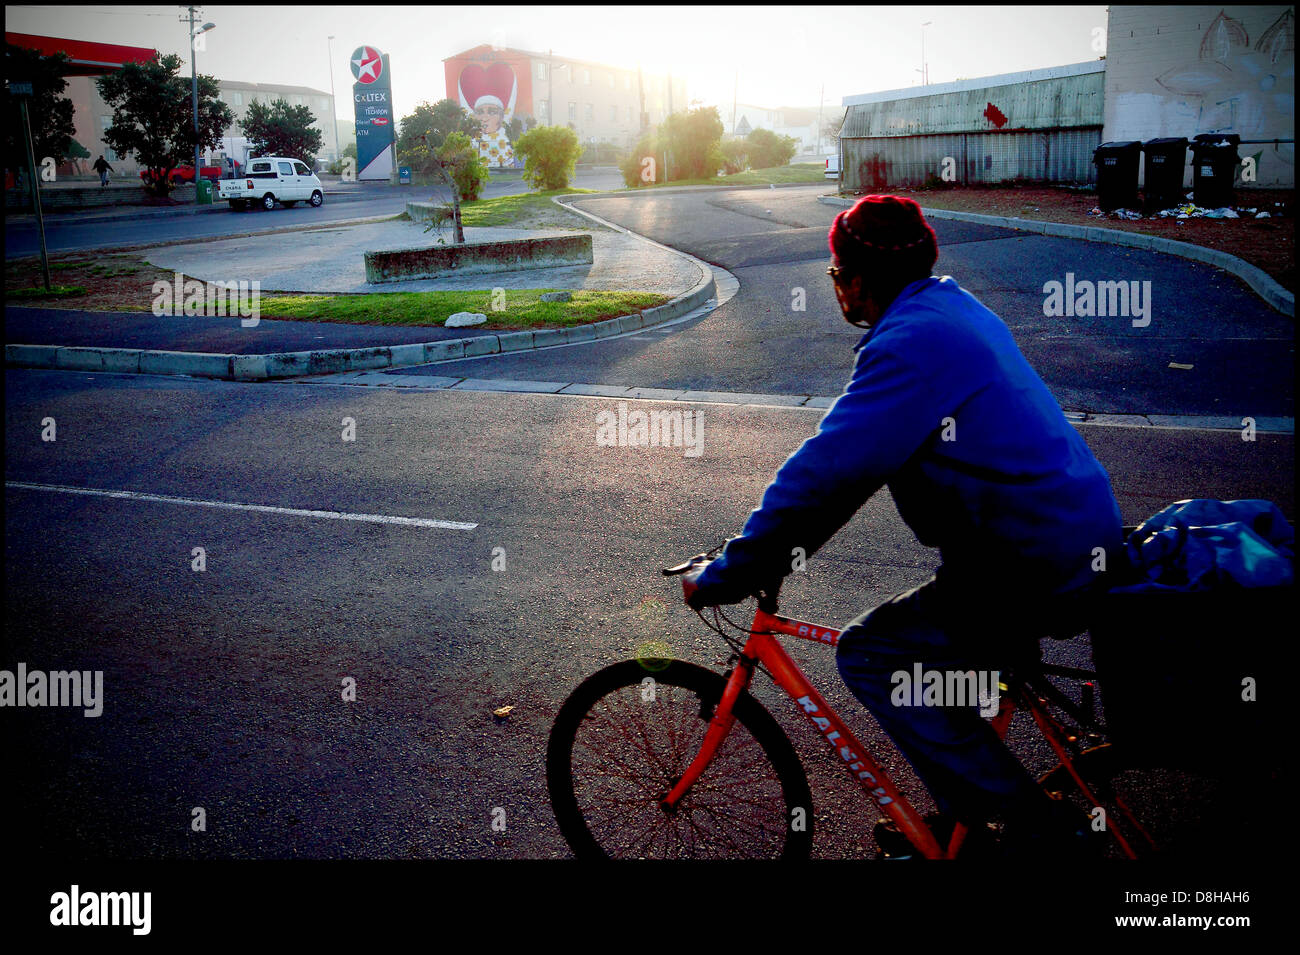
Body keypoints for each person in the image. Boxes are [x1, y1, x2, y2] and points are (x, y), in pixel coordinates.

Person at [685, 194, 1124, 857]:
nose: (835, 288)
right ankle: (963, 818)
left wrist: (735, 569)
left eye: (835, 275)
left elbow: (828, 475)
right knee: (944, 660)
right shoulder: (949, 307)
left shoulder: (910, 346)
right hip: (1061, 529)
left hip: (1031, 557)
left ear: (856, 281)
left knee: (872, 653)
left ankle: (1031, 826)